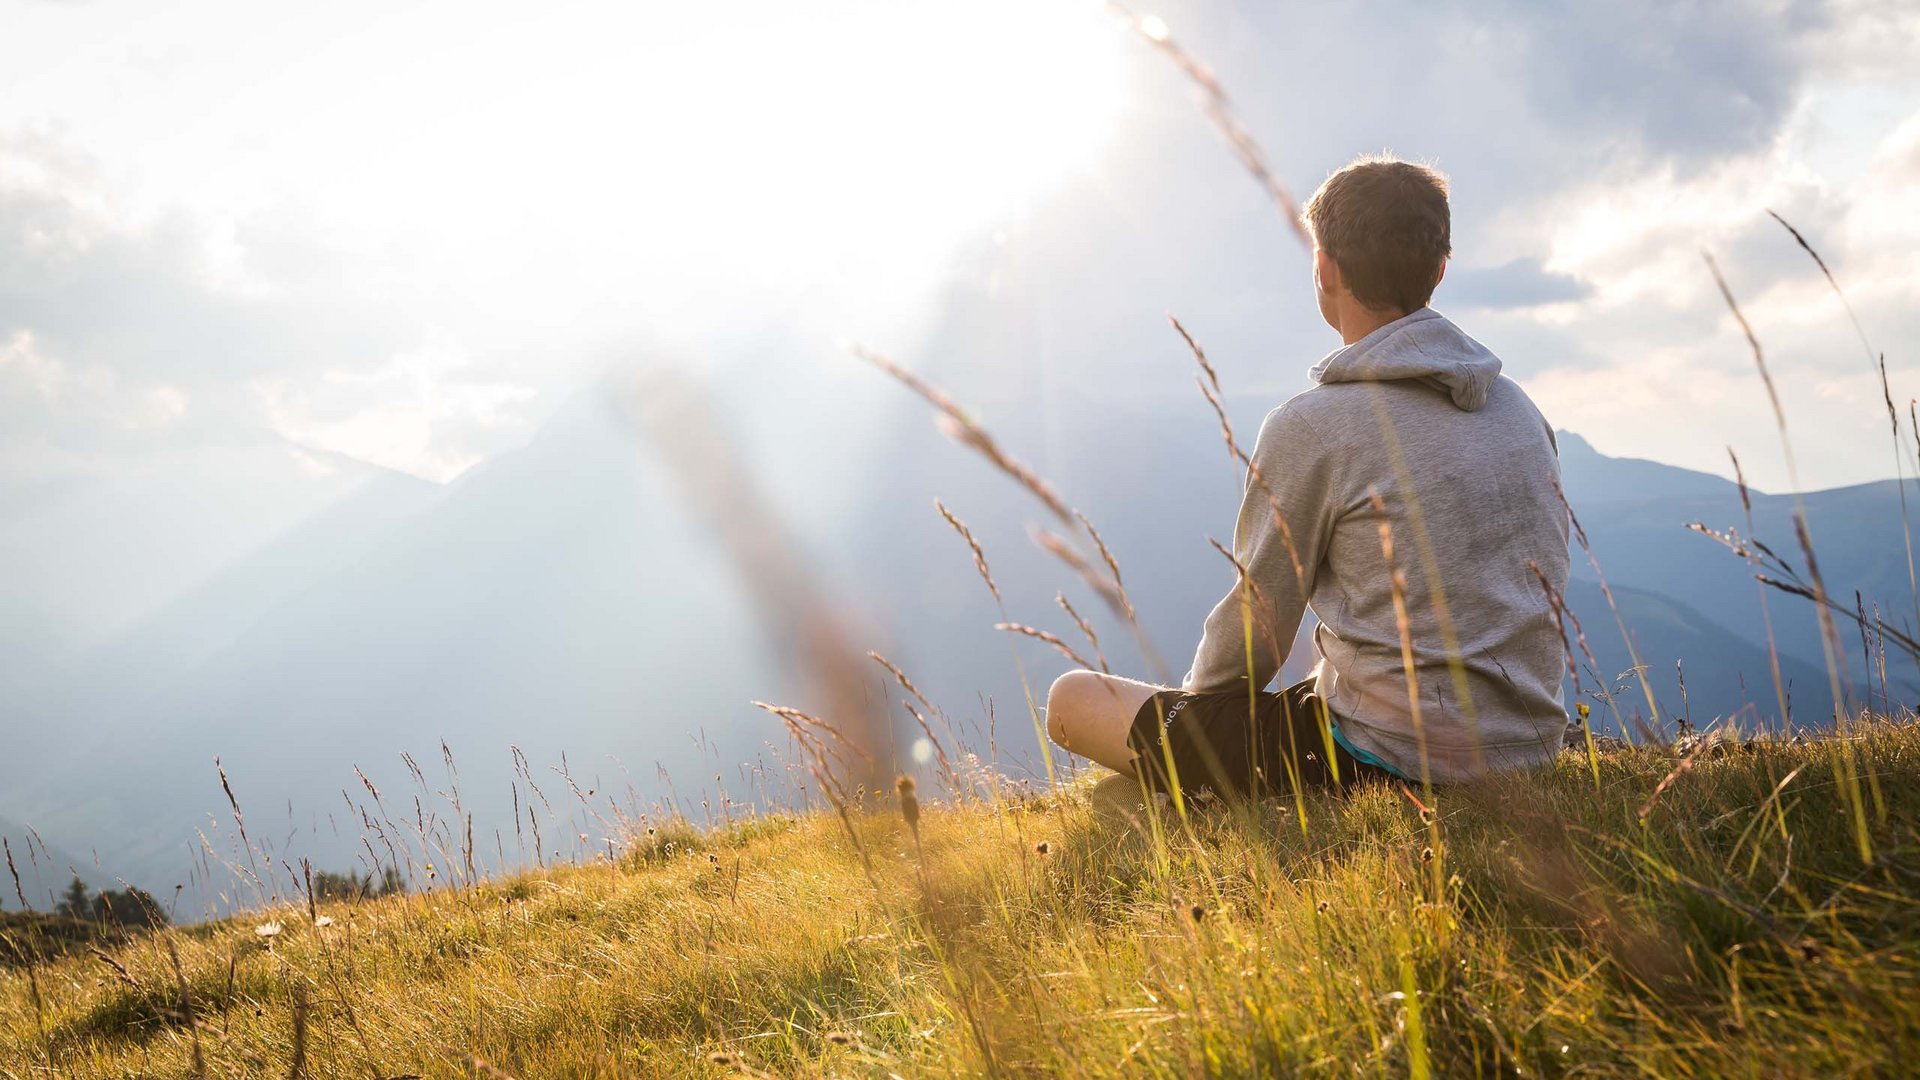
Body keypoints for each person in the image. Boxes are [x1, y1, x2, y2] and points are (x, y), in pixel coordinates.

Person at [1046, 155, 1570, 796]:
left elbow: (1254, 629)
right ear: (1439, 268)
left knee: (1072, 700)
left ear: (1324, 268)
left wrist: (1198, 721)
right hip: (1531, 744)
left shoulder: (1315, 425)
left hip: (1385, 759)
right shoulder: (1518, 409)